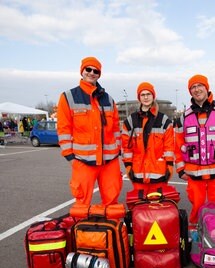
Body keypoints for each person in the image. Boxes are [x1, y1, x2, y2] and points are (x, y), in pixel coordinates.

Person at [174, 74, 215, 227]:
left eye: (200, 86)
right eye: (193, 87)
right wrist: (180, 169)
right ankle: (194, 241)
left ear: (207, 87)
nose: (197, 90)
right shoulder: (183, 118)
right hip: (193, 174)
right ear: (190, 92)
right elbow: (177, 146)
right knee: (196, 210)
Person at [57, 56, 122, 206]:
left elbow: (116, 128)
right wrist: (70, 156)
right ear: (82, 71)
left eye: (96, 71)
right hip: (82, 160)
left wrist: (117, 149)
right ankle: (82, 229)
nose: (92, 73)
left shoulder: (109, 99)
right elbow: (63, 128)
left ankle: (110, 229)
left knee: (111, 200)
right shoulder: (68, 97)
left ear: (99, 74)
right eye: (88, 69)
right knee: (82, 203)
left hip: (109, 161)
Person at [121, 82, 174, 194]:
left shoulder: (164, 121)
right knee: (139, 208)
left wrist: (169, 166)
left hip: (159, 173)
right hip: (137, 173)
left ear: (153, 96)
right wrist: (128, 166)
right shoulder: (130, 121)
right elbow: (126, 147)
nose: (146, 97)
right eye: (143, 94)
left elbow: (169, 147)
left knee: (158, 209)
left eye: (148, 94)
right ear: (139, 98)